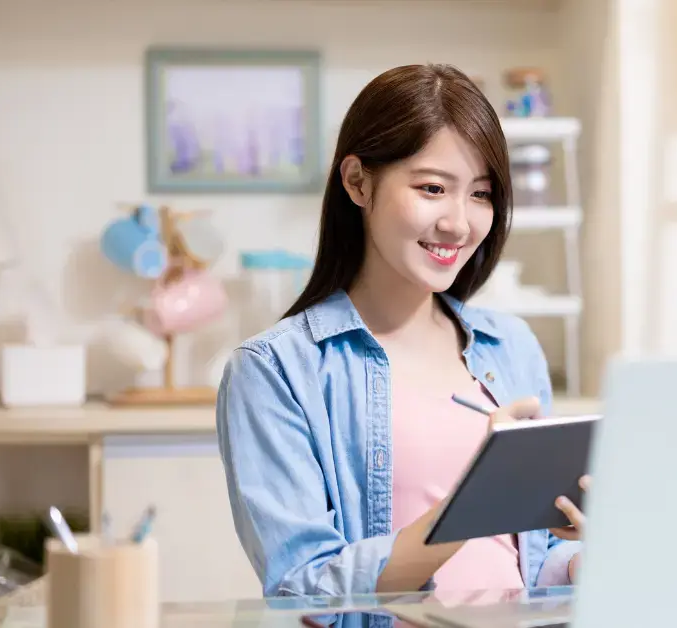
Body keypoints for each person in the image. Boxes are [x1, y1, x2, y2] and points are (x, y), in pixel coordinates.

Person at [216, 63, 588, 599]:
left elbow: (530, 558)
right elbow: (305, 589)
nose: (459, 223)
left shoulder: (511, 347)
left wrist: (583, 560)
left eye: (480, 194)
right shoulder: (276, 370)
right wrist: (476, 500)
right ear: (357, 182)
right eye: (433, 188)